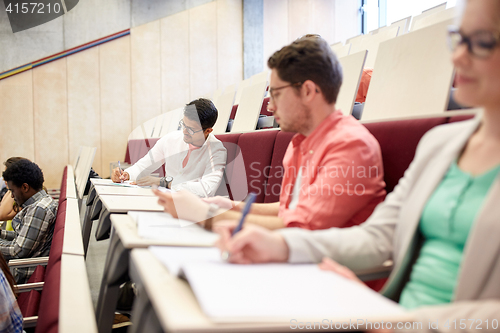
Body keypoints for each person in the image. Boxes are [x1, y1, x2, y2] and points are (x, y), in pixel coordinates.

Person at [216, 0, 500, 330]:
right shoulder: (440, 144)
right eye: (458, 40)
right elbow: (379, 237)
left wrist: (392, 320)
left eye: (480, 42)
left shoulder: (351, 142)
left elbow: (307, 222)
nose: (456, 58)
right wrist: (279, 245)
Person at [155, 36, 386, 231]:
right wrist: (227, 207)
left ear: (306, 91)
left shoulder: (352, 144)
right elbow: (289, 208)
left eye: (276, 94)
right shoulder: (299, 143)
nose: (270, 107)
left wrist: (207, 214)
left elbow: (301, 226)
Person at [111, 98, 227, 198]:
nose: (184, 132)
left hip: (192, 209)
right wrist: (126, 174)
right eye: (184, 124)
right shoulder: (170, 139)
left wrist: (164, 182)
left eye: (191, 129)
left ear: (208, 131)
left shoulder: (217, 151)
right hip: (166, 200)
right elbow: (143, 166)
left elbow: (206, 190)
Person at [1, 160, 58, 284]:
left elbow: (17, 250)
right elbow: (22, 237)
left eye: (12, 191)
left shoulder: (39, 209)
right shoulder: (40, 203)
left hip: (20, 275)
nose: (12, 197)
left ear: (25, 187)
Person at [0, 158, 28, 231]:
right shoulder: (13, 192)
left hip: (13, 240)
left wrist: (13, 186)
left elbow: (2, 214)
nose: (4, 179)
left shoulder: (26, 195)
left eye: (7, 176)